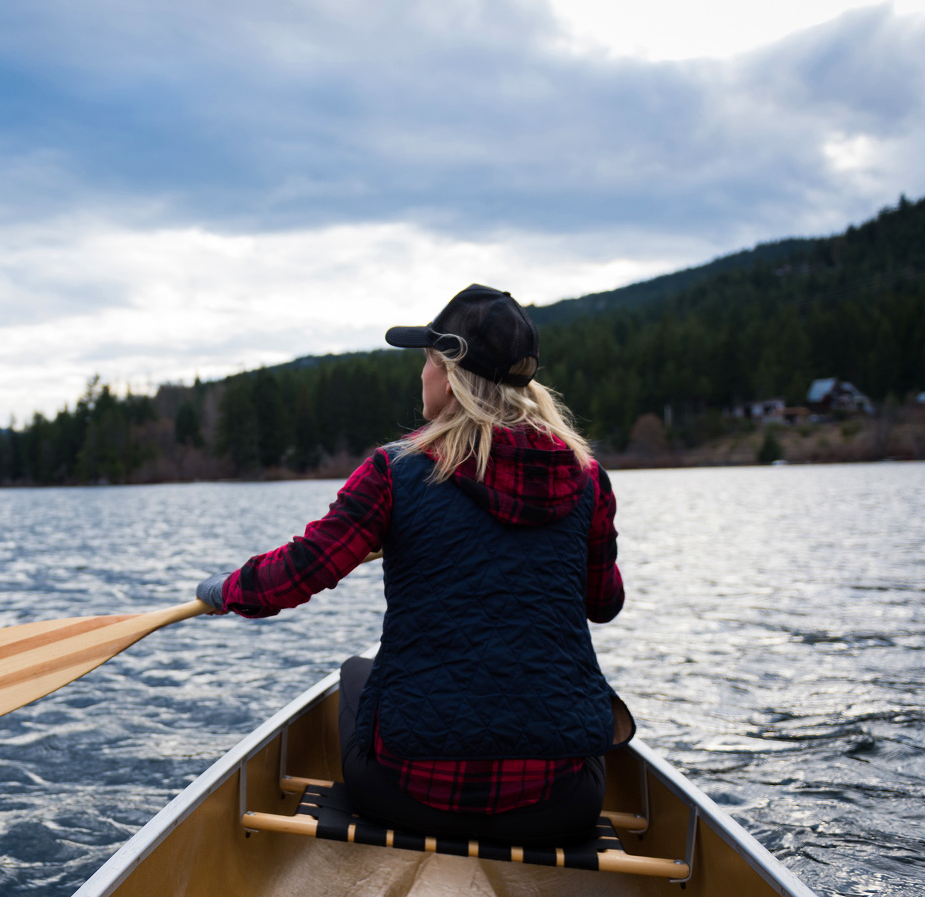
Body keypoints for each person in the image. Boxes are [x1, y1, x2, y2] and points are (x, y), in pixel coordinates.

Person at [196, 284, 630, 845]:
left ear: (448, 375)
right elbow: (604, 603)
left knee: (355, 674)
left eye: (426, 362)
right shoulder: (587, 477)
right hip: (557, 805)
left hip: (408, 795)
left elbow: (300, 572)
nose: (420, 376)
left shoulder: (394, 473)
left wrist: (225, 589)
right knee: (578, 727)